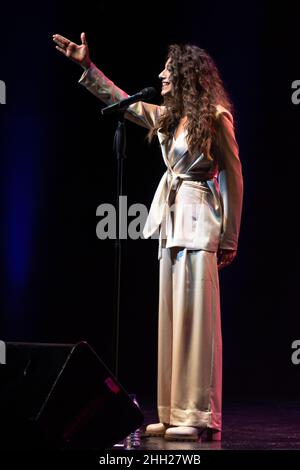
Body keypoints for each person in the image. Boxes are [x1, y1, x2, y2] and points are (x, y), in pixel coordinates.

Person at [52, 33, 243, 442]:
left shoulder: (216, 115)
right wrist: (88, 68)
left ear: (188, 76)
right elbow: (122, 100)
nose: (161, 75)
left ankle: (199, 412)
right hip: (171, 224)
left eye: (169, 71)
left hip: (200, 222)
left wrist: (230, 235)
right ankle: (173, 412)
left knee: (196, 323)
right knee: (171, 321)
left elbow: (233, 177)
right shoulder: (169, 117)